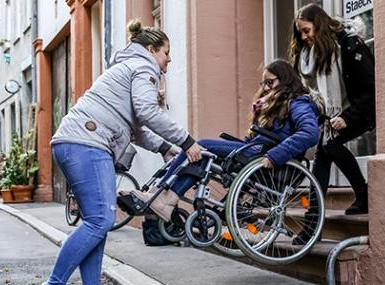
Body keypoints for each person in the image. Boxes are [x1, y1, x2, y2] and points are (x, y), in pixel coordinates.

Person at [44, 19, 202, 285]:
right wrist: (188, 142)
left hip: (77, 141)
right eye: (166, 52)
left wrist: (164, 148)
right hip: (88, 144)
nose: (169, 59)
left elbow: (135, 128)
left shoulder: (126, 67)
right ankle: (54, 282)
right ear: (151, 49)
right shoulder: (143, 66)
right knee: (100, 221)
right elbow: (148, 111)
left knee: (98, 223)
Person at [128, 59, 320, 222]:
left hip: (268, 157)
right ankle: (166, 199)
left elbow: (309, 134)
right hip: (256, 150)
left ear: (285, 80)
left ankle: (159, 193)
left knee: (200, 145)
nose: (265, 88)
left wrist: (275, 155)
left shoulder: (298, 102)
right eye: (264, 84)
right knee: (201, 156)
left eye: (270, 83)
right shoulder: (275, 104)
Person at [288, 3, 375, 222]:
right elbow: (317, 94)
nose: (304, 37)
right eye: (300, 33)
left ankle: (360, 195)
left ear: (319, 25)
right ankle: (314, 218)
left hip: (361, 110)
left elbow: (371, 88)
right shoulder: (313, 55)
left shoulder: (348, 45)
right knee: (324, 152)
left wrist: (347, 117)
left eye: (307, 30)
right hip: (335, 116)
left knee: (329, 146)